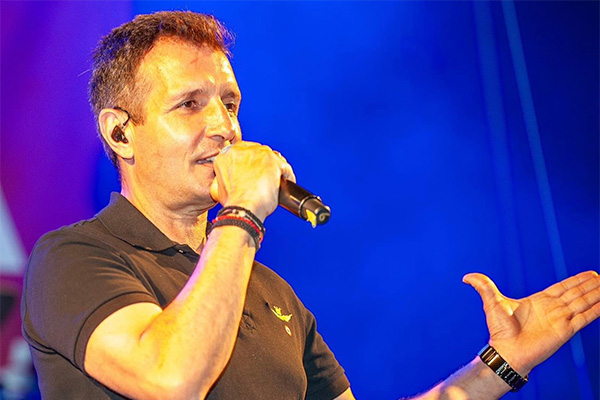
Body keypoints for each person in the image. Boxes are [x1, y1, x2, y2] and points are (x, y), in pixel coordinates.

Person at [21, 11, 600, 400]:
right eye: (190, 104)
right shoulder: (74, 258)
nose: (224, 127)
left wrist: (499, 365)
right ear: (120, 132)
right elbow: (171, 380)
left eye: (230, 103)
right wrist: (242, 214)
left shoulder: (267, 289)